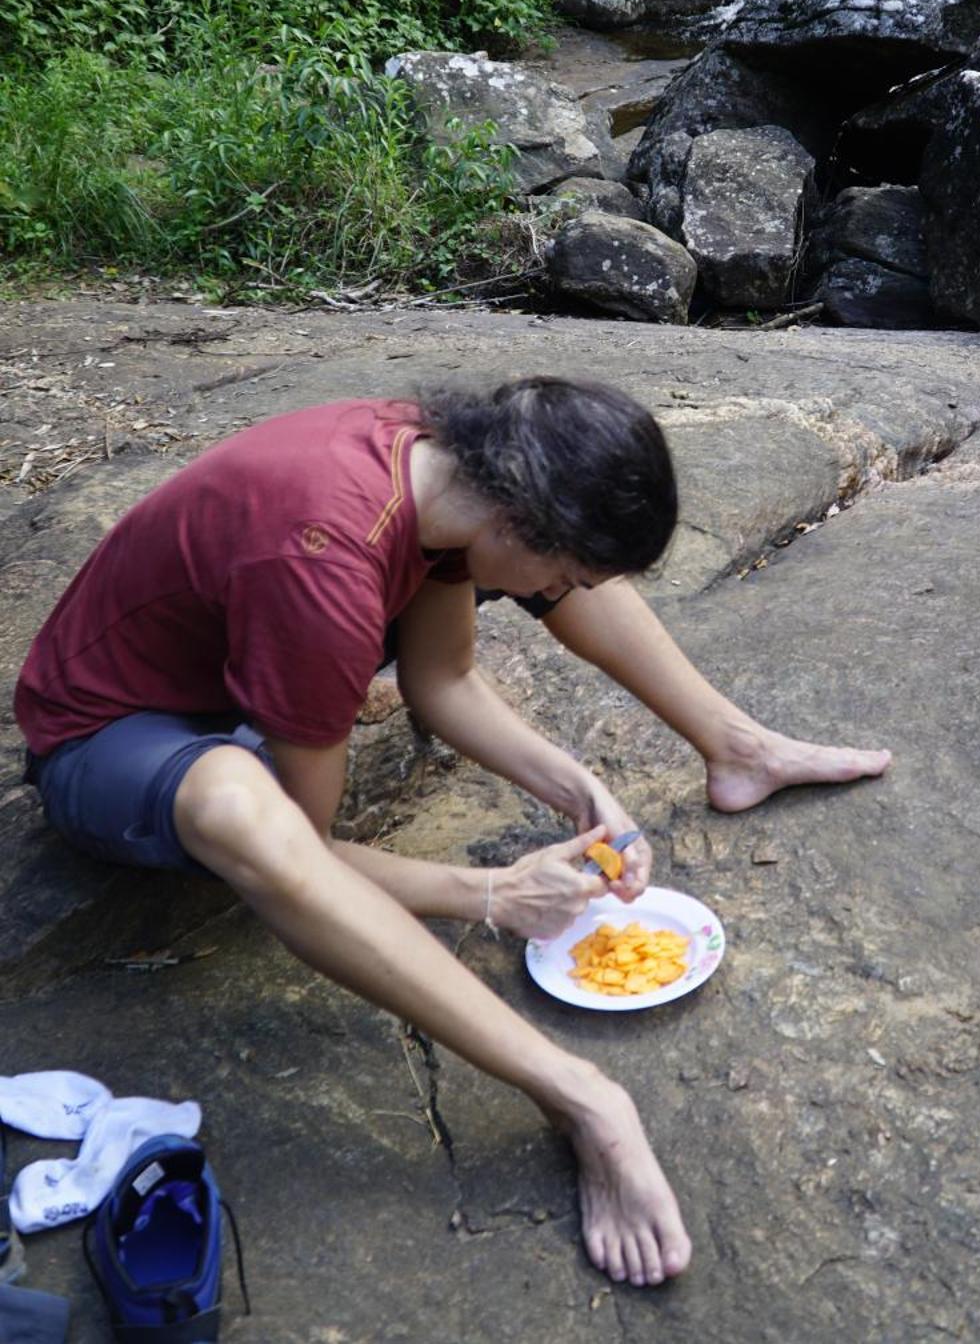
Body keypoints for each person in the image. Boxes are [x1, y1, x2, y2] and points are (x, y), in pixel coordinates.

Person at [15, 377, 890, 1289]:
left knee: (528, 584)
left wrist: (580, 789)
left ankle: (736, 746)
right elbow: (299, 854)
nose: (558, 598)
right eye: (560, 578)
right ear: (514, 524)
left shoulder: (448, 472)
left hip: (240, 670)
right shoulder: (326, 560)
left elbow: (444, 678)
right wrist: (489, 896)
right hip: (107, 741)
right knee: (239, 804)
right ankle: (578, 1097)